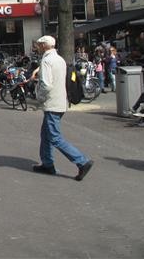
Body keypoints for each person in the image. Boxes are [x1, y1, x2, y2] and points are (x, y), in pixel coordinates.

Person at [32, 35, 94, 181]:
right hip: (60, 101)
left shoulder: (46, 61)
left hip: (52, 103)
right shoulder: (59, 59)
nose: (38, 47)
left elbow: (46, 85)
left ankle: (82, 161)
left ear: (44, 46)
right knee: (46, 134)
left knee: (54, 137)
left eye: (39, 45)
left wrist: (39, 97)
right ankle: (47, 163)